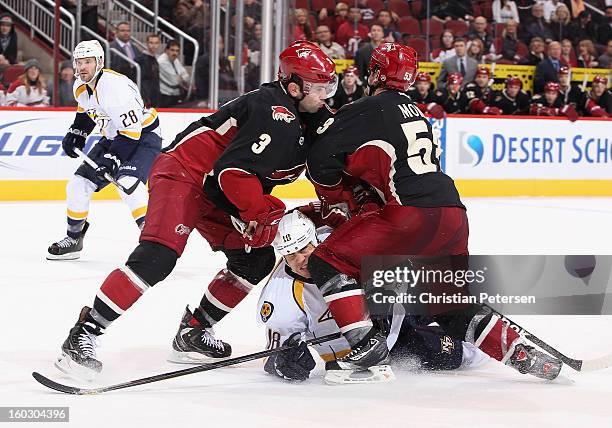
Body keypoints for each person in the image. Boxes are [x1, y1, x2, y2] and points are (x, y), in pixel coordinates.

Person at [54, 41, 338, 379]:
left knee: (254, 259)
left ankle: (194, 331)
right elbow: (236, 174)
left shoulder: (300, 113)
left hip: (215, 187)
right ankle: (84, 333)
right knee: (157, 256)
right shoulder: (276, 114)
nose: (326, 94)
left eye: (327, 86)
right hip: (185, 173)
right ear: (293, 86)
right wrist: (258, 210)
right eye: (319, 87)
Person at [306, 42, 562, 379]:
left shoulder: (368, 108)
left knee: (327, 261)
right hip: (453, 215)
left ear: (377, 73)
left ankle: (366, 342)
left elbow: (320, 161)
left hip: (410, 215)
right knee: (449, 306)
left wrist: (339, 193)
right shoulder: (418, 113)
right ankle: (522, 354)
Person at [260, 210, 489, 382]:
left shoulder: (340, 243)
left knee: (467, 342)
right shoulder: (281, 298)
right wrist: (282, 363)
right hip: (374, 351)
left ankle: (480, 320)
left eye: (304, 249)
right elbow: (271, 355)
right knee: (457, 355)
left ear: (315, 239)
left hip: (399, 316)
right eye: (290, 255)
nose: (301, 260)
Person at [47, 40, 161, 261]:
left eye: (88, 62)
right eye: (79, 62)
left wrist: (111, 160)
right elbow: (86, 112)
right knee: (78, 185)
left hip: (142, 137)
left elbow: (130, 133)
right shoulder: (80, 85)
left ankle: (155, 245)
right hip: (114, 137)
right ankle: (74, 239)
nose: (82, 67)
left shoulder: (116, 88)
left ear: (99, 62)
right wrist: (77, 133)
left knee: (128, 185)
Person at [158, 40, 190, 107]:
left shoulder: (175, 60)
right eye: (172, 50)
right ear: (166, 50)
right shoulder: (161, 61)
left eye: (177, 51)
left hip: (175, 94)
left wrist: (181, 77)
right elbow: (174, 81)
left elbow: (186, 76)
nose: (175, 53)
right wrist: (181, 77)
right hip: (165, 96)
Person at [136, 34, 161, 107]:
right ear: (147, 43)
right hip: (145, 96)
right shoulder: (141, 59)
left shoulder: (155, 59)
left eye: (156, 43)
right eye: (151, 43)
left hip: (154, 94)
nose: (153, 45)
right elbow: (142, 79)